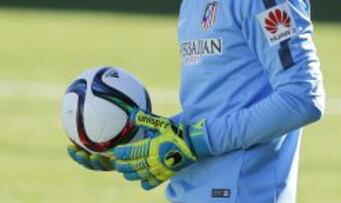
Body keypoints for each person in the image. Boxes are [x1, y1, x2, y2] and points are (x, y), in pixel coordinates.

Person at [68, 0, 325, 202]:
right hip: (190, 193)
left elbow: (301, 97)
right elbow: (215, 107)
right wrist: (139, 142)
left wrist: (197, 141)